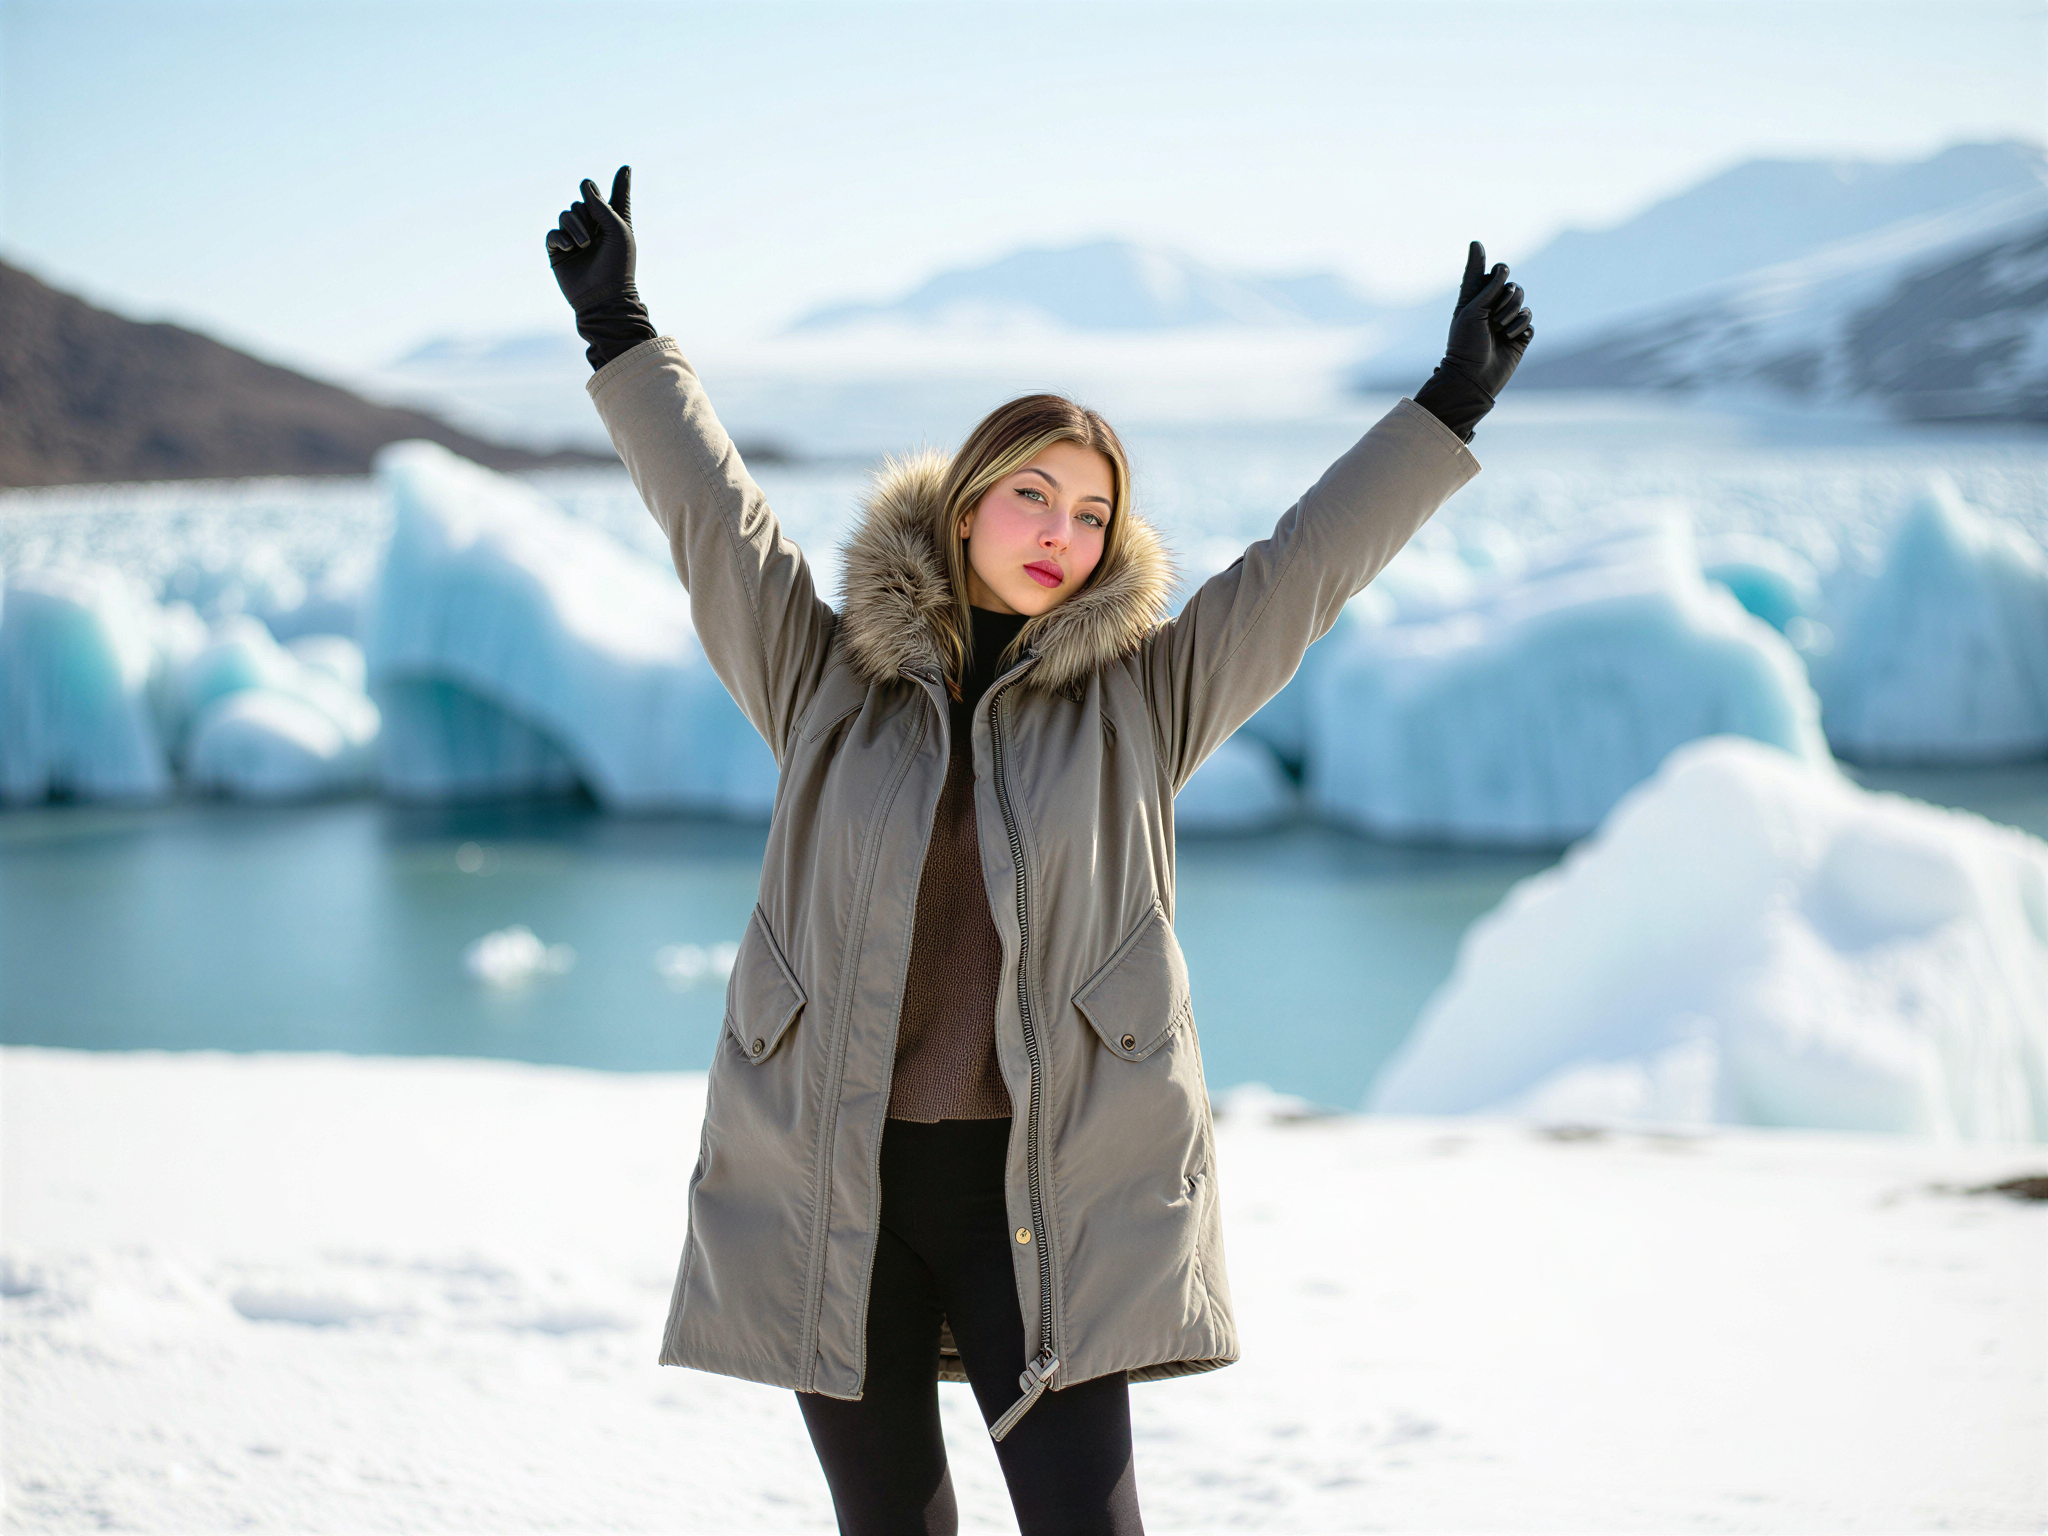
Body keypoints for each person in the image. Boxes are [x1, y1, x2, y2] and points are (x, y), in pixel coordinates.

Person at [545, 167, 1531, 1536]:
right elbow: (715, 521)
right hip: (839, 1181)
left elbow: (1304, 568)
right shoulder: (826, 680)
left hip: (1048, 1192)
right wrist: (620, 331)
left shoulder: (1140, 704)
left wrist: (1449, 408)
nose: (1063, 535)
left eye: (1091, 514)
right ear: (963, 507)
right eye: (1033, 498)